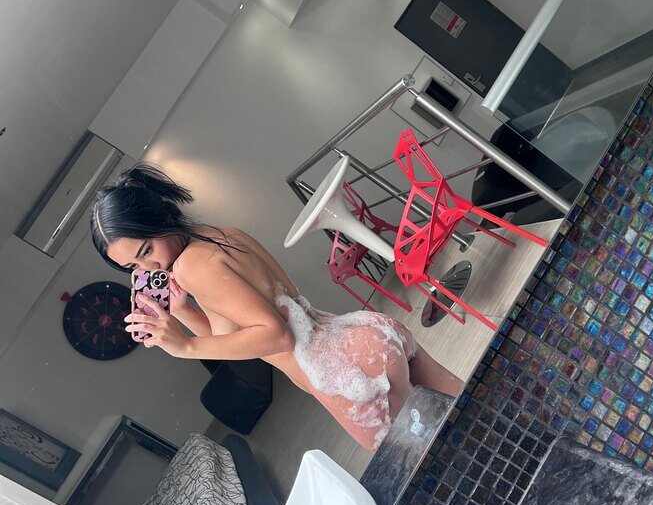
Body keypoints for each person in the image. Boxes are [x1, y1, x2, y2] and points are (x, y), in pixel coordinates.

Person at [90, 163, 462, 452]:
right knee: (474, 409)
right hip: (363, 335)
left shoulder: (192, 266)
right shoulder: (218, 235)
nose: (150, 267)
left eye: (146, 250)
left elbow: (277, 336)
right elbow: (233, 336)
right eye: (134, 267)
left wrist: (184, 346)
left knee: (440, 465)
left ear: (161, 219)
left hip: (346, 371)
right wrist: (184, 312)